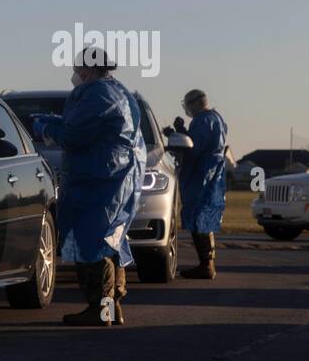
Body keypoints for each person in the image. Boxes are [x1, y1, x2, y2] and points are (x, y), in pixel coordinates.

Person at [32, 46, 146, 327]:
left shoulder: (96, 94)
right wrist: (55, 121)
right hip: (119, 179)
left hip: (99, 178)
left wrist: (46, 129)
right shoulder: (119, 92)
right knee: (110, 240)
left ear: (91, 68)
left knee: (91, 243)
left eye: (78, 68)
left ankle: (100, 309)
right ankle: (113, 308)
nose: (75, 73)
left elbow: (75, 134)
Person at [172, 89, 227, 279]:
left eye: (188, 103)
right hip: (210, 173)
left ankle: (206, 265)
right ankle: (207, 263)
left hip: (202, 173)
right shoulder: (215, 118)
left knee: (199, 216)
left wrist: (179, 133)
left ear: (195, 103)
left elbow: (193, 147)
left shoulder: (203, 120)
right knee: (204, 216)